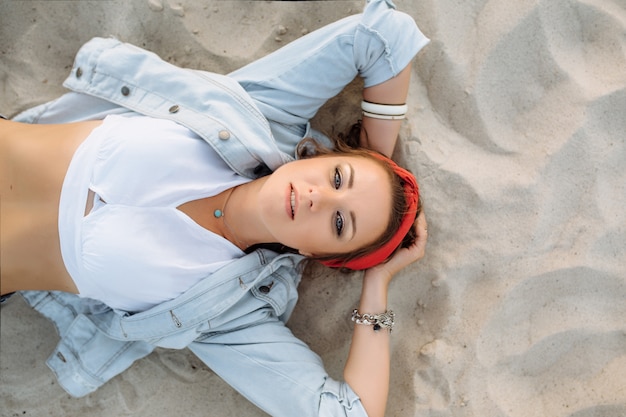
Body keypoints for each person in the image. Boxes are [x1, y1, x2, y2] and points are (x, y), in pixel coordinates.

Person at [0, 1, 429, 416]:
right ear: (319, 157)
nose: (321, 198)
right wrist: (376, 160)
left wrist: (377, 281)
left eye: (340, 223)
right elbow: (382, 36)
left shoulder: (232, 312)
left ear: (320, 256)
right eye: (338, 178)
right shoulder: (263, 116)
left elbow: (347, 413)